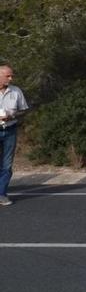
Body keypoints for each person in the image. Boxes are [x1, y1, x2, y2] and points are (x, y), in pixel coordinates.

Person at [0, 64, 29, 206]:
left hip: (10, 130)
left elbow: (23, 110)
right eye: (7, 76)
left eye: (11, 76)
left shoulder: (16, 91)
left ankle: (2, 194)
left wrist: (12, 115)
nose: (10, 79)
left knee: (7, 164)